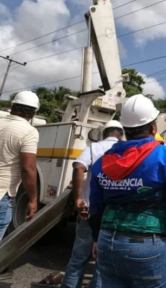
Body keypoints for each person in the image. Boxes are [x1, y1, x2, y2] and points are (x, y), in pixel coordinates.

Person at [88, 94, 166, 287]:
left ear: (125, 130)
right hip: (146, 247)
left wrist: (96, 237)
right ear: (153, 127)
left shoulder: (104, 161)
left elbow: (96, 207)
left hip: (107, 243)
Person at [60, 120, 124, 288]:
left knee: (78, 258)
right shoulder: (127, 150)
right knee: (102, 264)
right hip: (113, 215)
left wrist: (78, 198)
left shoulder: (93, 148)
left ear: (103, 134)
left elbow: (79, 167)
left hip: (89, 211)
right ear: (121, 134)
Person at [0, 91, 40, 239]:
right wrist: (33, 200)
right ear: (34, 112)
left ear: (12, 106)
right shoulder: (29, 132)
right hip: (3, 192)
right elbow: (28, 168)